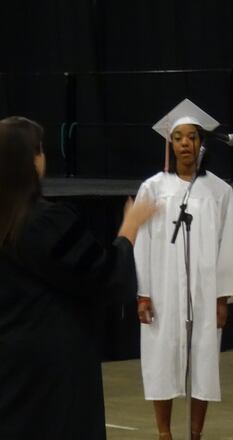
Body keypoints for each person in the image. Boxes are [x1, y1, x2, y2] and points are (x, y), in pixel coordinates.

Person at [0, 116, 155, 439]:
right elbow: (105, 277)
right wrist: (129, 229)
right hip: (50, 369)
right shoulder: (45, 221)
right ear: (31, 161)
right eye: (40, 150)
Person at [135, 99, 233, 440]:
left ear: (201, 142)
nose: (184, 144)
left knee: (204, 361)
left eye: (191, 137)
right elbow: (142, 242)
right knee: (161, 358)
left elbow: (227, 246)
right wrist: (143, 292)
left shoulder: (220, 191)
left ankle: (196, 433)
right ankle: (164, 433)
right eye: (177, 137)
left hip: (204, 290)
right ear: (170, 143)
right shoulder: (153, 188)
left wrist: (222, 298)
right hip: (163, 289)